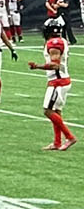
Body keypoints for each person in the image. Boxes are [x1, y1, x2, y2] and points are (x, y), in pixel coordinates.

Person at [29, 17, 76, 150]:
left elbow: (55, 65)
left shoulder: (53, 43)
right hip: (61, 80)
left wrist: (37, 66)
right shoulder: (62, 41)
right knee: (56, 111)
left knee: (48, 111)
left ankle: (70, 137)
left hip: (58, 82)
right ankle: (57, 142)